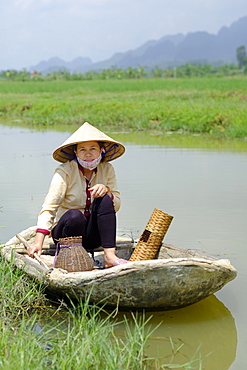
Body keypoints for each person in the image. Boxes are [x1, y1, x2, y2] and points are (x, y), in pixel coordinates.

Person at [27, 121, 128, 268]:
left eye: (93, 148)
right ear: (76, 153)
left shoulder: (107, 169)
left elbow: (116, 205)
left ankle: (110, 257)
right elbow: (49, 207)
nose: (88, 153)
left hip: (93, 236)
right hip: (66, 233)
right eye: (82, 149)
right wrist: (38, 243)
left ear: (102, 150)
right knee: (75, 216)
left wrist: (106, 190)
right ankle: (70, 258)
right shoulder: (65, 171)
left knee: (105, 199)